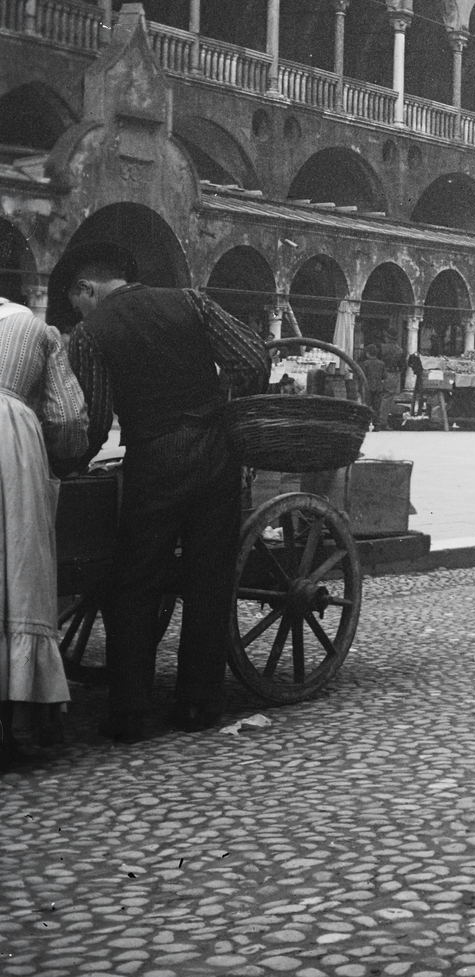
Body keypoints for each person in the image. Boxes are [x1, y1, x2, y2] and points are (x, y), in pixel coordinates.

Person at [64, 243, 269, 740]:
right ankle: (199, 705)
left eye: (78, 302)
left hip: (154, 458)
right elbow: (252, 357)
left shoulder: (90, 335)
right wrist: (222, 407)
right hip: (215, 454)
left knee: (134, 583)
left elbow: (93, 420)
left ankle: (131, 712)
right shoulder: (191, 301)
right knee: (208, 578)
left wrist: (71, 464)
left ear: (87, 289)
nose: (81, 312)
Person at [1, 297, 88, 766]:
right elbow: (68, 417)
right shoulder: (32, 328)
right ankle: (15, 720)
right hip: (10, 446)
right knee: (18, 569)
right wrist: (67, 454)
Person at [359, 346, 388, 431]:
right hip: (378, 388)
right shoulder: (381, 363)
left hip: (368, 387)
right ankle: (377, 425)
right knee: (377, 407)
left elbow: (362, 376)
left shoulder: (365, 363)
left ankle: (366, 424)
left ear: (367, 353)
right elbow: (384, 376)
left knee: (367, 406)